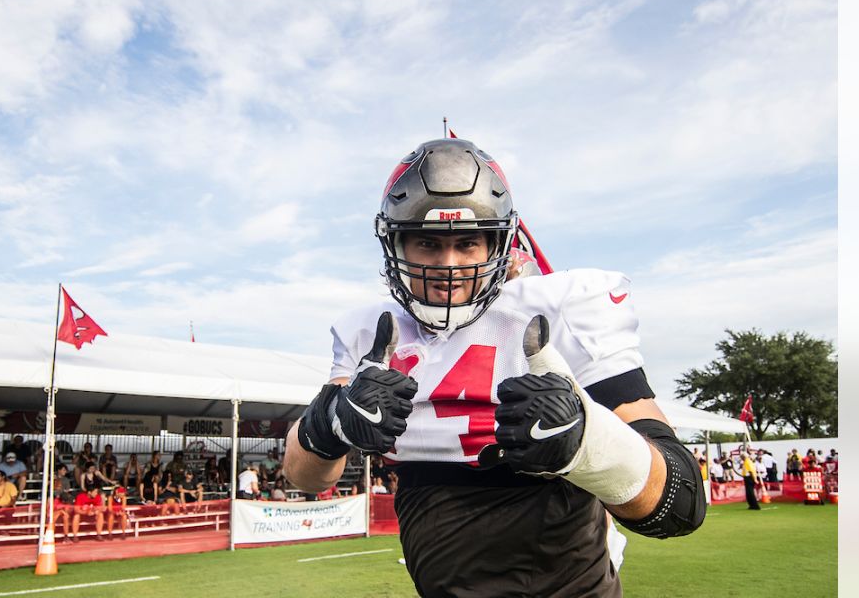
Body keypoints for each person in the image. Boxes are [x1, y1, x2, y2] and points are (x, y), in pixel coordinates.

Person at [282, 138, 705, 597]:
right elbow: (304, 476)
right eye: (428, 243)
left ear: (498, 244)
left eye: (467, 243)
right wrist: (329, 426)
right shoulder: (372, 332)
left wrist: (589, 443)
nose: (449, 267)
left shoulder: (559, 313)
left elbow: (679, 501)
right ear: (396, 243)